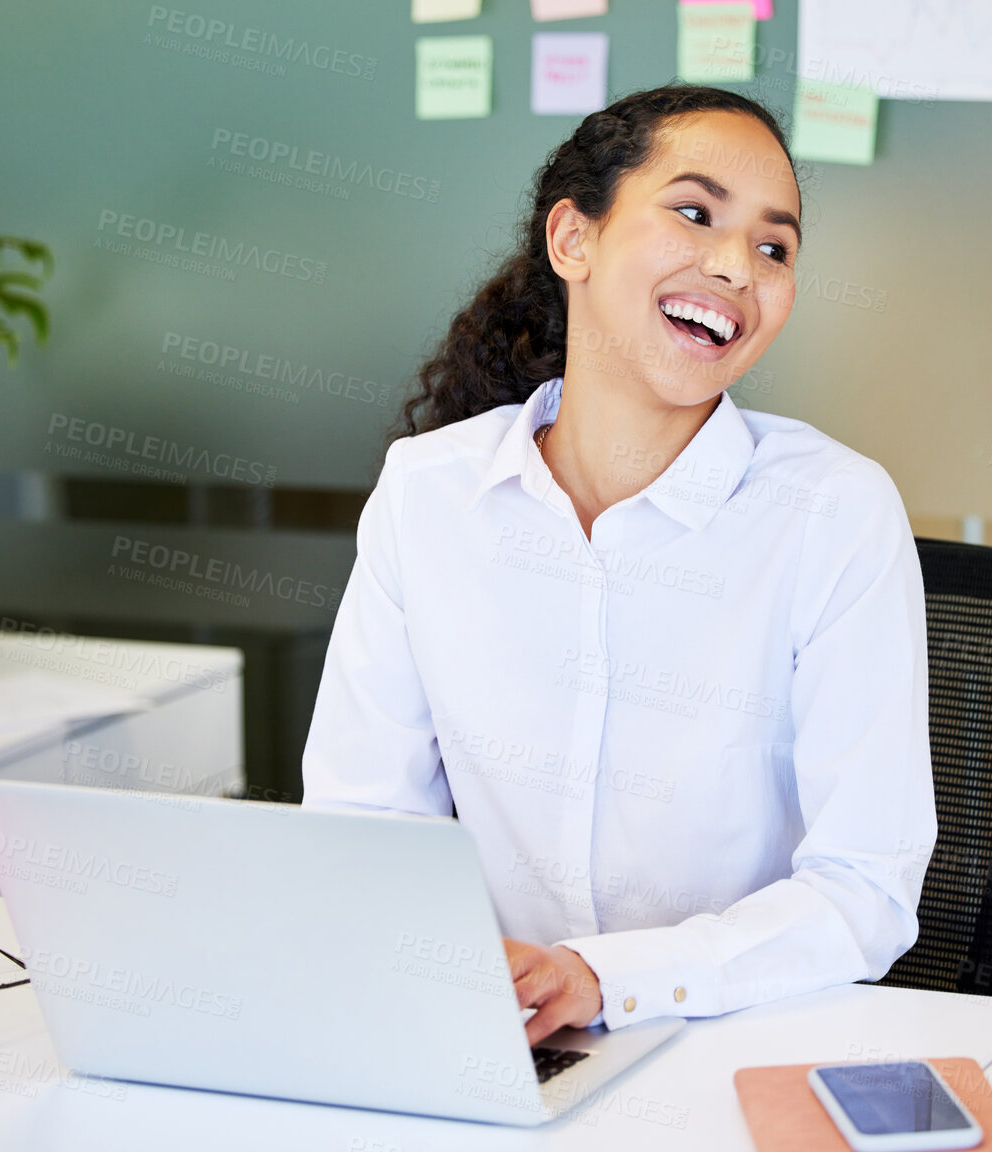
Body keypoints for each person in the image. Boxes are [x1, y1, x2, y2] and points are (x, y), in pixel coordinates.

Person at [301, 84, 935, 1046]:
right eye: (693, 213)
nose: (736, 266)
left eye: (774, 247)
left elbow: (864, 888)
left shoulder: (833, 512)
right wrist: (458, 981)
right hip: (485, 1037)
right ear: (573, 241)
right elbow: (362, 822)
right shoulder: (427, 493)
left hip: (732, 1039)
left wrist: (602, 978)